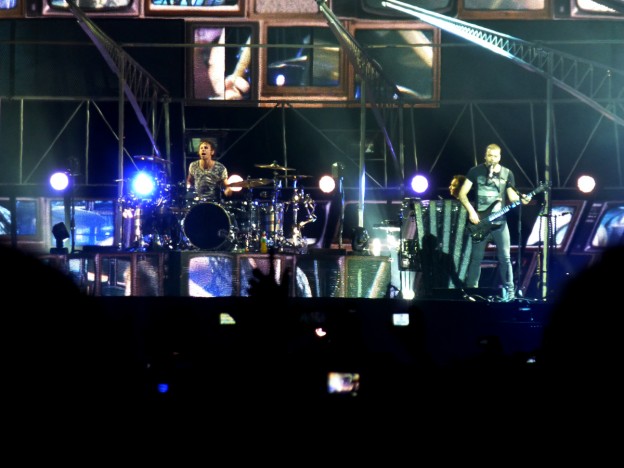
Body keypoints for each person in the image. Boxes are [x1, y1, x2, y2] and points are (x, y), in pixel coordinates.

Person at [456, 143, 529, 302]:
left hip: (500, 223)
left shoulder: (507, 173)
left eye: (495, 156)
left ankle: (510, 294)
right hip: (480, 223)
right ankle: (471, 293)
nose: (492, 159)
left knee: (505, 258)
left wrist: (522, 198)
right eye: (490, 156)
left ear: (500, 157)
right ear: (485, 156)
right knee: (476, 259)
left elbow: (512, 197)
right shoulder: (475, 171)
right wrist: (472, 212)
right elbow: (462, 194)